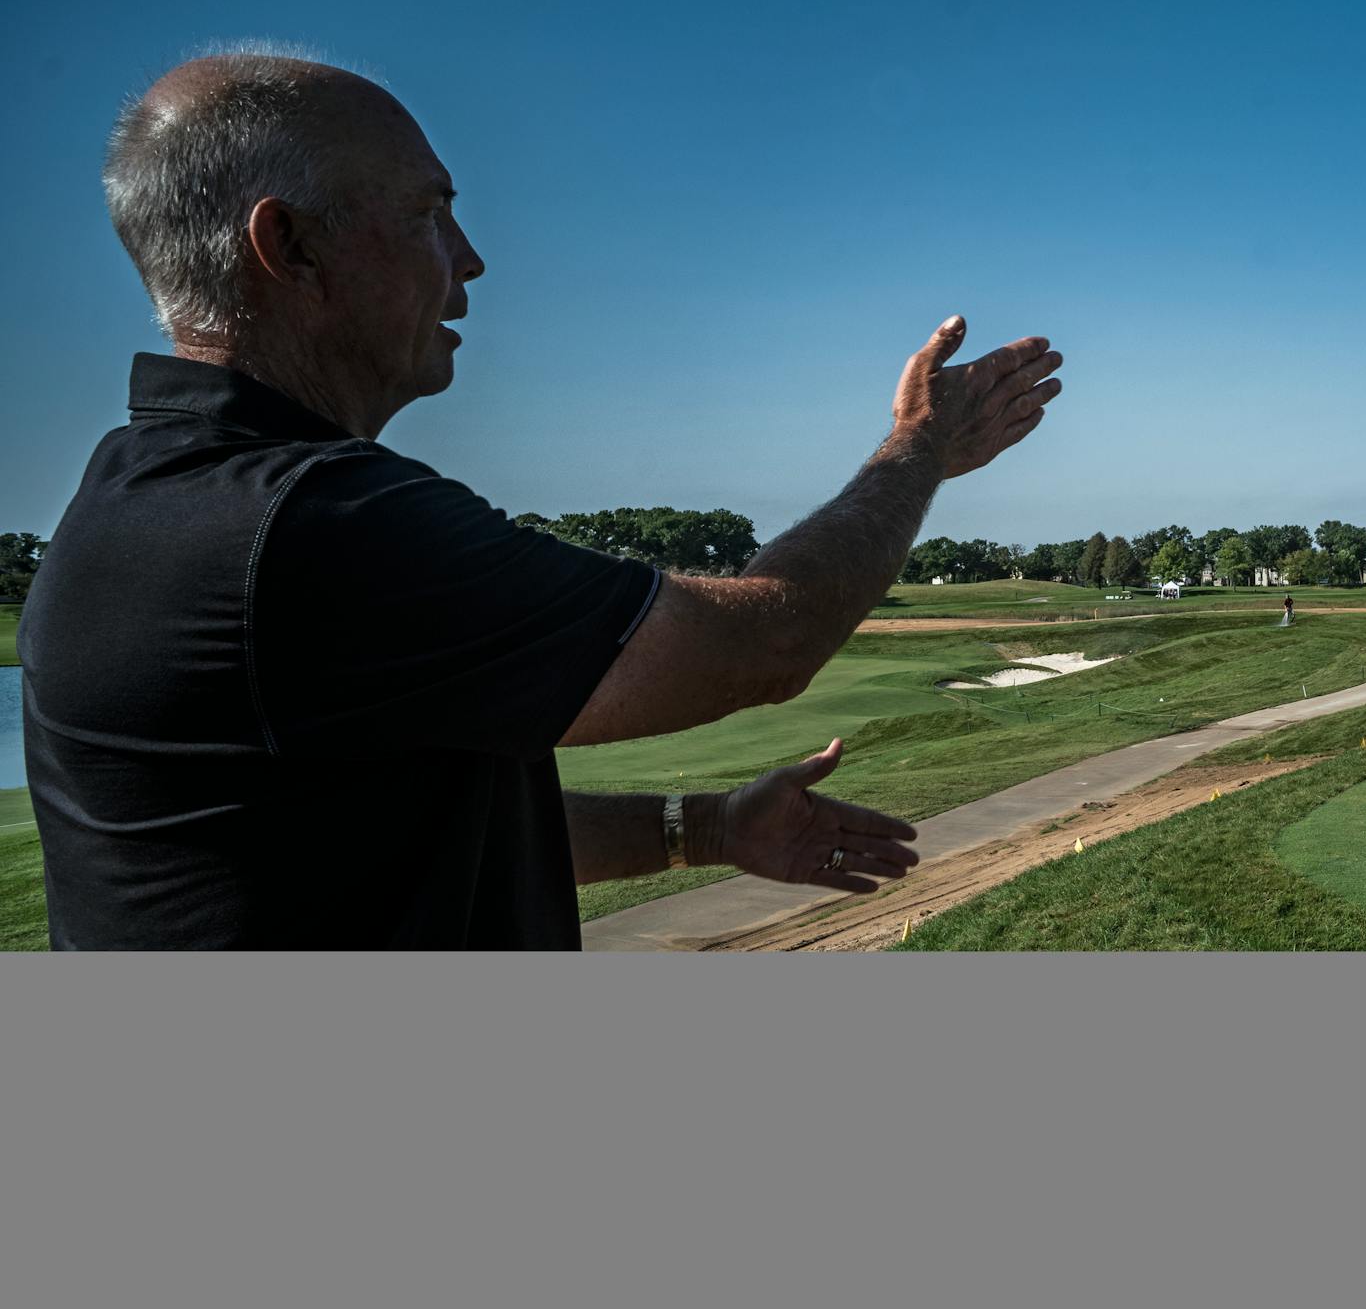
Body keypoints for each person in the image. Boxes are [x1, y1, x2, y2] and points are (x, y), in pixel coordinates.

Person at [19, 53, 1063, 948]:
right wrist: (918, 448)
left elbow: (400, 824)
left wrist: (706, 829)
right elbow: (763, 645)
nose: (469, 262)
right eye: (431, 214)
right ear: (287, 246)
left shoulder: (150, 492)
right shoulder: (303, 525)